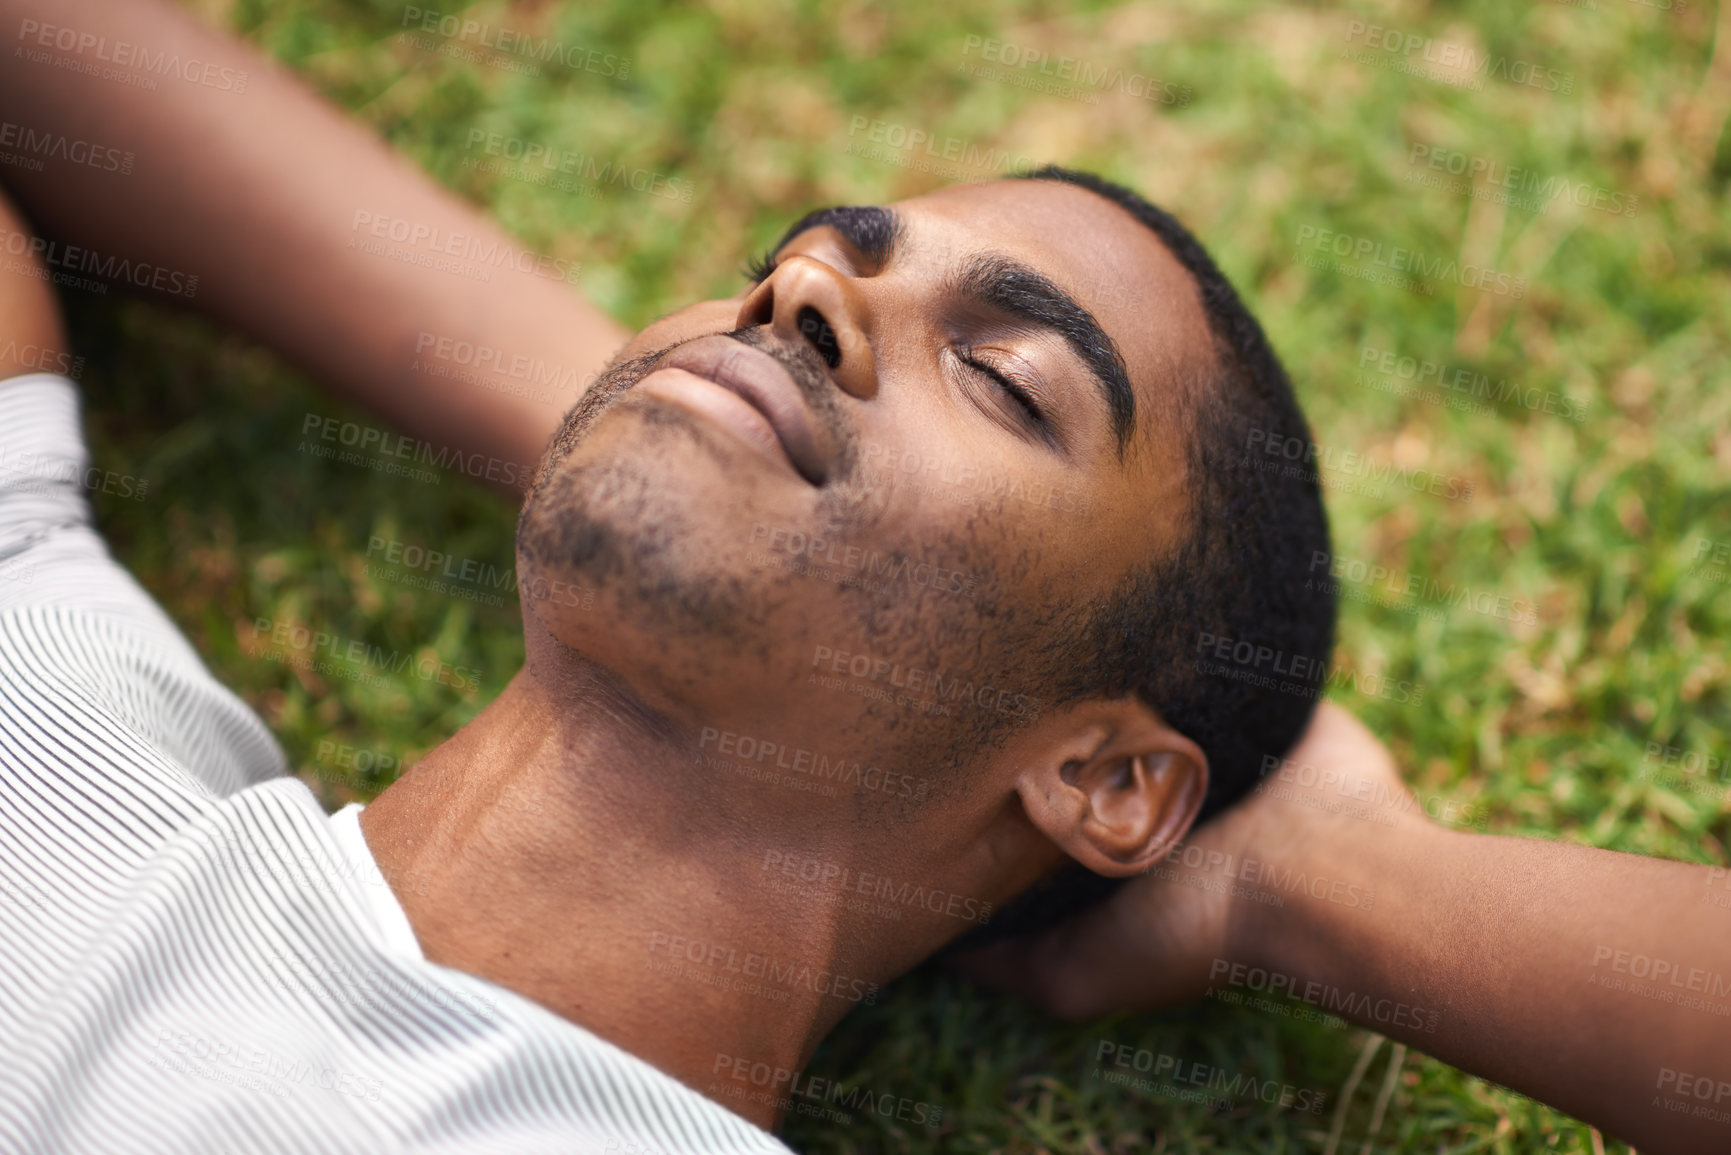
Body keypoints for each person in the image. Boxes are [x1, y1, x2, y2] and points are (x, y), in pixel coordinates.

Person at [0, 4, 1723, 1155]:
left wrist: (1331, 887)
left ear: (1108, 775)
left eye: (1007, 378)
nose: (799, 295)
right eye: (793, 266)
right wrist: (695, 412)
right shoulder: (63, 729)